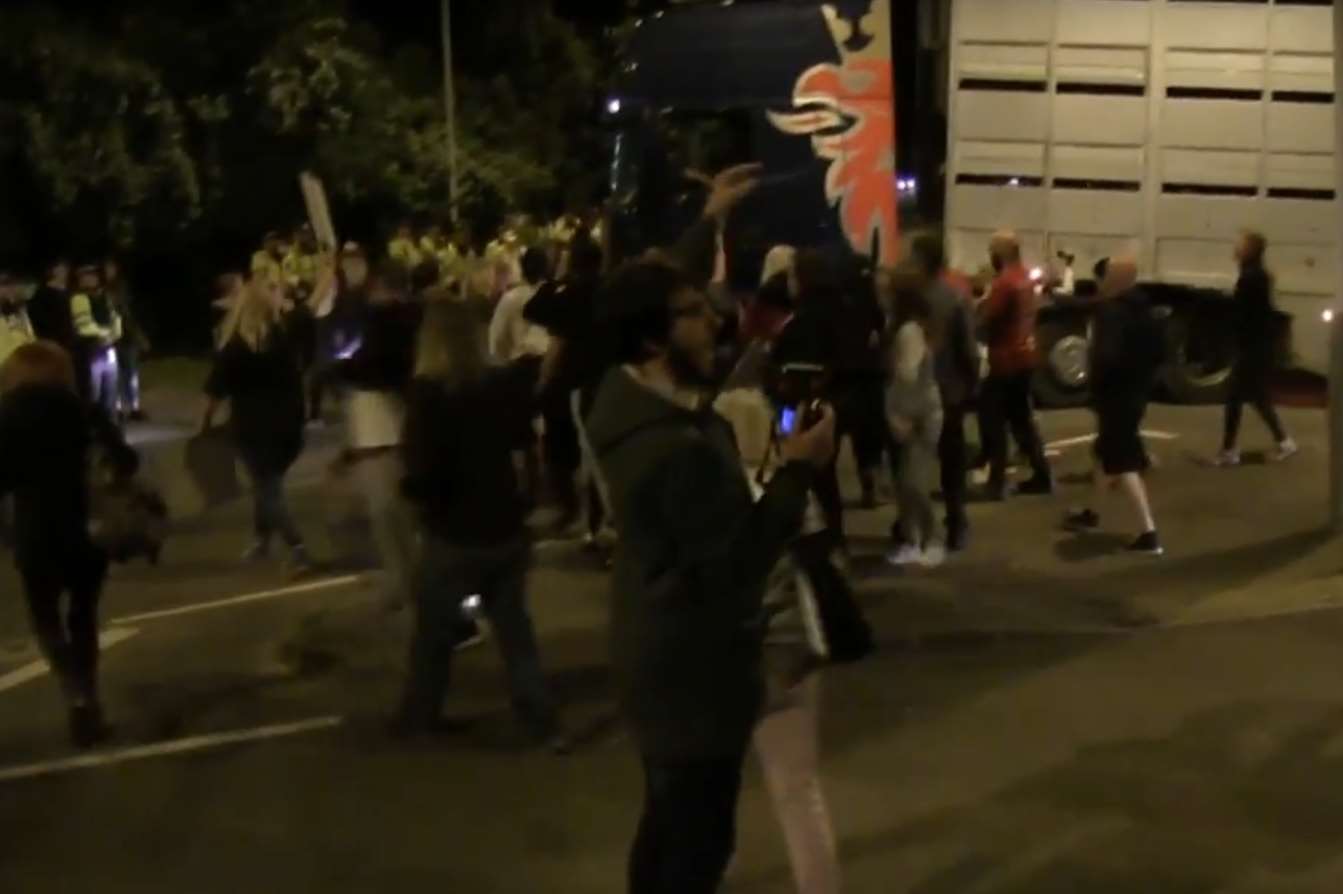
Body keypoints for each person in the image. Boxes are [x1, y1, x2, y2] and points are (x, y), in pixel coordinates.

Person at [585, 163, 838, 894]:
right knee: (697, 844)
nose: (714, 319)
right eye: (694, 314)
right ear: (653, 341)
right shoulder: (676, 451)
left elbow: (639, 295)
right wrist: (797, 470)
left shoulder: (619, 399)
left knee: (665, 824)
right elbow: (737, 564)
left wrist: (709, 220)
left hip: (652, 656)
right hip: (695, 676)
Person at [394, 298, 565, 749]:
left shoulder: (429, 394)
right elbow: (527, 446)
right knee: (515, 633)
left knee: (433, 633)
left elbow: (422, 469)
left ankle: (421, 719)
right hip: (505, 525)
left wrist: (416, 504)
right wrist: (527, 500)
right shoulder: (500, 386)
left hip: (453, 530)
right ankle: (542, 725)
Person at [714, 335, 841, 894]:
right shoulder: (785, 489)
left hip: (731, 650)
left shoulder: (712, 495)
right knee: (798, 788)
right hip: (792, 645)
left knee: (707, 789)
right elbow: (817, 547)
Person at [0, 341, 137, 747]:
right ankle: (89, 697)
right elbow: (126, 460)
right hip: (85, 525)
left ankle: (73, 692)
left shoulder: (5, 416)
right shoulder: (84, 410)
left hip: (33, 529)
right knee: (82, 615)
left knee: (45, 617)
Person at [202, 278, 313, 575]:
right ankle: (262, 539)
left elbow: (214, 392)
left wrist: (204, 424)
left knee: (267, 488)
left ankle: (297, 547)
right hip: (290, 425)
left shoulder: (235, 348)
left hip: (254, 429)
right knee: (266, 484)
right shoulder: (282, 338)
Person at [330, 262, 421, 611]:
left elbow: (378, 367)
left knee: (391, 515)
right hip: (384, 434)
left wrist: (340, 369)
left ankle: (410, 586)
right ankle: (406, 582)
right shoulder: (392, 320)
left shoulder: (392, 320)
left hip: (386, 436)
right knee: (393, 517)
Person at [1064, 256, 1166, 555]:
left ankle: (1148, 532)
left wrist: (1098, 385)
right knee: (1103, 454)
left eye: (1107, 275)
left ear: (1117, 280)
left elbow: (1106, 356)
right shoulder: (1145, 310)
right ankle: (1091, 514)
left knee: (1123, 462)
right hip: (1136, 394)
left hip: (1115, 397)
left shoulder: (1111, 313)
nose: (1102, 279)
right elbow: (1158, 353)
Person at [912, 234, 980, 552]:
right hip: (949, 390)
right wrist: (971, 383)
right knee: (951, 463)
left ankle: (912, 526)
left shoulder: (908, 298)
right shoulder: (955, 297)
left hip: (915, 391)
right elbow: (967, 347)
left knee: (913, 461)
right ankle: (956, 524)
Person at [978, 230, 1052, 499]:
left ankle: (997, 482)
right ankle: (1042, 474)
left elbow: (986, 318)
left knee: (993, 419)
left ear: (999, 255)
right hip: (1026, 356)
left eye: (992, 251)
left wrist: (982, 298)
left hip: (1005, 358)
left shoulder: (1005, 283)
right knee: (1022, 418)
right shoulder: (1024, 278)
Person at [1216, 230, 1297, 466]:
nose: (1236, 248)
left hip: (1253, 347)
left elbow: (1246, 315)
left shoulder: (1251, 278)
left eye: (1240, 244)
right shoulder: (1256, 275)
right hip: (1257, 346)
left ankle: (1229, 450)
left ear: (1250, 250)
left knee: (1235, 397)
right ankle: (1284, 441)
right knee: (1255, 396)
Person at [883, 270, 945, 568]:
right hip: (910, 412)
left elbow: (907, 376)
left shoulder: (908, 331)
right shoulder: (907, 327)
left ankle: (931, 539)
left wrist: (901, 416)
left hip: (917, 415)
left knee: (915, 483)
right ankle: (913, 539)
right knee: (905, 483)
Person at [70, 264, 123, 416]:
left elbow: (115, 317)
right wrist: (106, 334)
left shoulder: (105, 296)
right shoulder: (78, 298)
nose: (90, 279)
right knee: (93, 394)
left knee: (110, 393)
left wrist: (114, 335)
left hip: (108, 349)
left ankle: (110, 427)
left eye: (92, 275)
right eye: (85, 276)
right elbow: (83, 325)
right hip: (91, 350)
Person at [104, 258, 150, 422]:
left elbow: (129, 315)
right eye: (107, 267)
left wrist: (139, 336)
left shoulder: (122, 287)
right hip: (112, 338)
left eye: (111, 267)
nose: (109, 270)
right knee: (114, 374)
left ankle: (133, 407)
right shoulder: (102, 290)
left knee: (131, 374)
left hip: (127, 337)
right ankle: (117, 408)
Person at [488, 247, 552, 364]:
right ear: (546, 268)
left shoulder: (510, 298)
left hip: (520, 365)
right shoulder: (556, 295)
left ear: (522, 269)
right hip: (551, 365)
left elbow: (497, 340)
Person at [28, 260, 76, 350]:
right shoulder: (41, 296)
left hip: (74, 344)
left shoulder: (71, 292)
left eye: (66, 267)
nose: (65, 271)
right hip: (55, 346)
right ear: (53, 270)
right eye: (61, 267)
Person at [0, 272, 35, 367]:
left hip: (22, 366)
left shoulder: (20, 313)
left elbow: (31, 338)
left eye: (12, 287)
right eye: (5, 286)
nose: (11, 291)